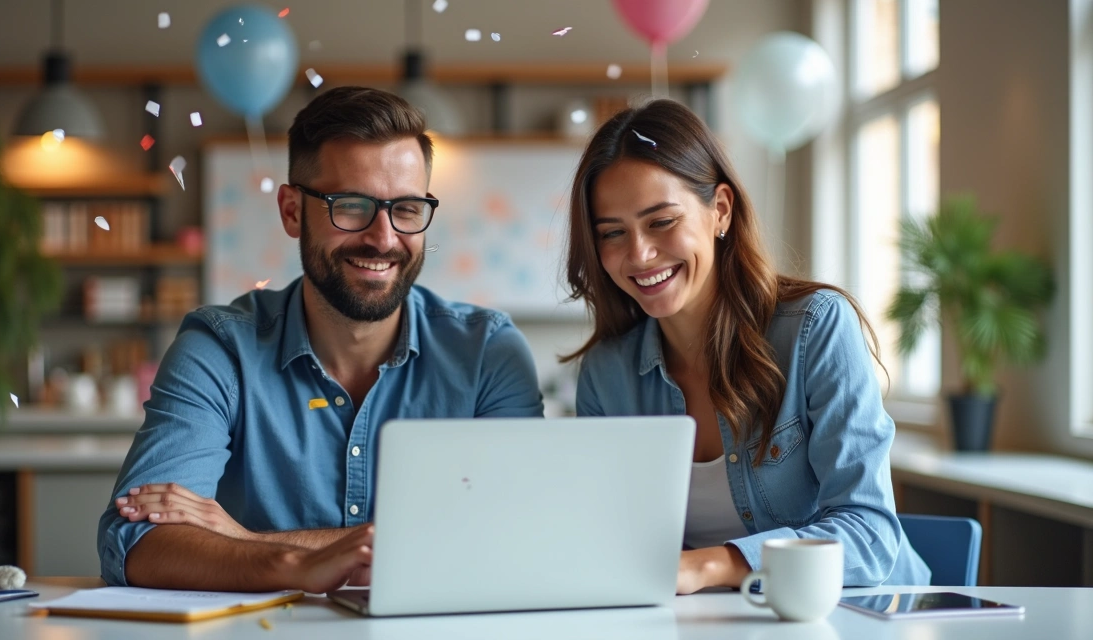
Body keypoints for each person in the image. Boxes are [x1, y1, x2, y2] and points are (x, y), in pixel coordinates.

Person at [97, 87, 544, 592]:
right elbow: (136, 541)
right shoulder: (219, 348)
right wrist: (295, 567)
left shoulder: (487, 353)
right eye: (351, 206)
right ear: (292, 211)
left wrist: (251, 542)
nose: (384, 238)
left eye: (407, 208)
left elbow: (519, 534)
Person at [563, 99, 931, 594]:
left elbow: (870, 535)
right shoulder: (606, 375)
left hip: (864, 613)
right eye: (612, 233)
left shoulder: (814, 327)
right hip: (714, 620)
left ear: (720, 210)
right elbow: (608, 537)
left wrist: (710, 566)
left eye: (661, 222)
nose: (640, 254)